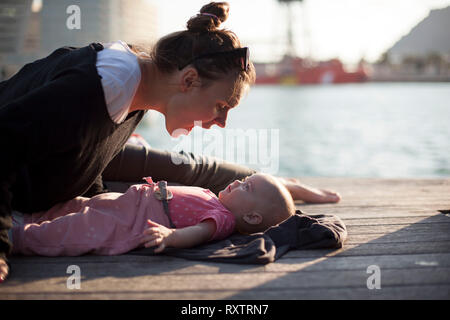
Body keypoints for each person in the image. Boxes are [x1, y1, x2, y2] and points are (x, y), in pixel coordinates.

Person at [0, 2, 339, 282]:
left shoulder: (132, 86)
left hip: (51, 179)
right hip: (21, 191)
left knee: (184, 173)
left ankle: (279, 183)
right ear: (189, 80)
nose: (219, 123)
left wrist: (269, 189)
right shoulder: (95, 87)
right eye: (221, 107)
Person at [10, 173, 295, 256]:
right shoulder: (214, 198)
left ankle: (19, 236)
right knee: (78, 204)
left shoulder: (223, 219)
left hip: (129, 223)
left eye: (246, 186)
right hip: (126, 201)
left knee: (75, 229)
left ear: (254, 217)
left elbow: (200, 233)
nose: (237, 181)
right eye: (245, 178)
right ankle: (26, 217)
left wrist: (171, 236)